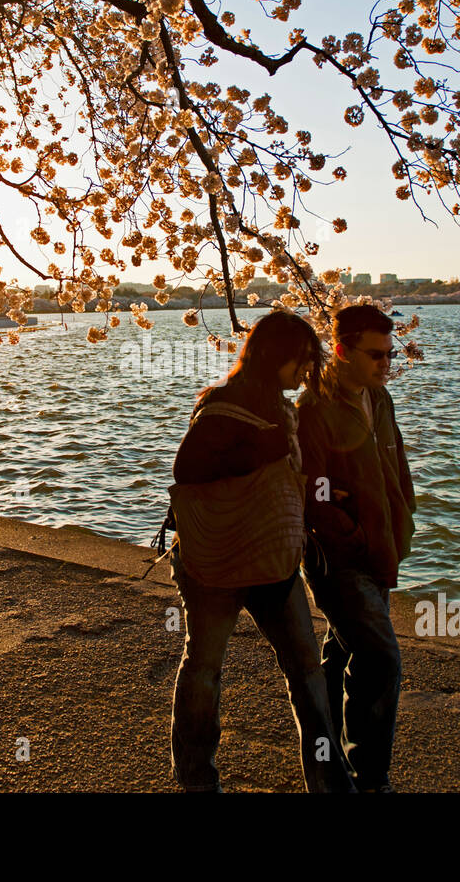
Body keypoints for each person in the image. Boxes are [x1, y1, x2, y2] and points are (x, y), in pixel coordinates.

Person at [168, 310, 354, 793]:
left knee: (306, 672)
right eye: (301, 361)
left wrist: (322, 495)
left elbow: (278, 475)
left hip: (271, 560)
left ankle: (330, 781)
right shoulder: (223, 407)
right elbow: (186, 470)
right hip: (217, 563)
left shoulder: (277, 405)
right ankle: (197, 780)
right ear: (276, 357)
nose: (305, 373)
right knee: (205, 667)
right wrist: (265, 445)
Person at [296, 303, 416, 792]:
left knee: (344, 650)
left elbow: (397, 461)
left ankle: (327, 760)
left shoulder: (379, 398)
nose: (386, 365)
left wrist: (401, 515)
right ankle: (372, 778)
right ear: (342, 350)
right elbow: (312, 486)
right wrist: (348, 529)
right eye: (376, 356)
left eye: (389, 355)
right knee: (383, 658)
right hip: (338, 556)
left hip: (380, 547)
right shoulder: (313, 408)